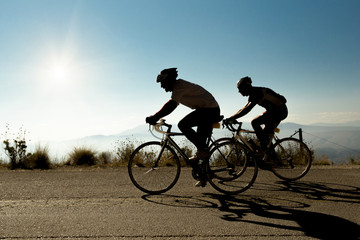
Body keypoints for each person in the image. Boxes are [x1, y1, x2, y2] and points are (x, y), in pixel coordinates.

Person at [146, 68, 221, 162]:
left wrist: (155, 117)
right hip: (207, 110)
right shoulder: (178, 87)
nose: (161, 86)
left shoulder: (179, 86)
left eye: (163, 83)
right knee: (200, 142)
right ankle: (205, 169)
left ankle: (203, 152)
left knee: (183, 125)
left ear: (169, 80)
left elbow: (171, 105)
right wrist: (156, 117)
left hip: (209, 111)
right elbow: (171, 104)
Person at [224, 76, 288, 152]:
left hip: (279, 112)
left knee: (255, 122)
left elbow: (246, 110)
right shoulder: (254, 92)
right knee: (265, 135)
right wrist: (232, 117)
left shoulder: (256, 93)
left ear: (245, 87)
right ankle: (270, 158)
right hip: (275, 111)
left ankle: (264, 150)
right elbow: (243, 109)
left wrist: (232, 118)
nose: (239, 91)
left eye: (240, 89)